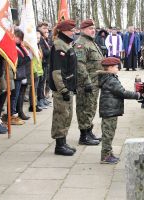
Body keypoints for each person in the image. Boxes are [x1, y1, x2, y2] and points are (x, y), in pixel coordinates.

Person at [98, 57, 141, 164]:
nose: (118, 69)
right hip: (110, 110)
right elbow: (122, 92)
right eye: (117, 67)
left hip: (110, 109)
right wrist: (138, 95)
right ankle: (105, 157)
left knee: (109, 132)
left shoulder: (109, 77)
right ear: (110, 68)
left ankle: (109, 153)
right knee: (108, 134)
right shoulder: (111, 80)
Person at [49, 20, 77, 156]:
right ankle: (59, 146)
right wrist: (63, 89)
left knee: (67, 115)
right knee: (61, 115)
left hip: (68, 86)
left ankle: (63, 142)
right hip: (62, 88)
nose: (73, 33)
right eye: (71, 30)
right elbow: (57, 71)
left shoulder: (65, 44)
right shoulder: (59, 45)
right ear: (64, 31)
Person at [74, 19, 102, 146]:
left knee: (91, 107)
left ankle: (89, 131)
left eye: (94, 28)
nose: (93, 30)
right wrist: (87, 82)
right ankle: (83, 136)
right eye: (90, 28)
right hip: (86, 83)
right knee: (85, 108)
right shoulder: (81, 44)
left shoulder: (91, 42)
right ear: (83, 30)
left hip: (95, 82)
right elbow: (80, 65)